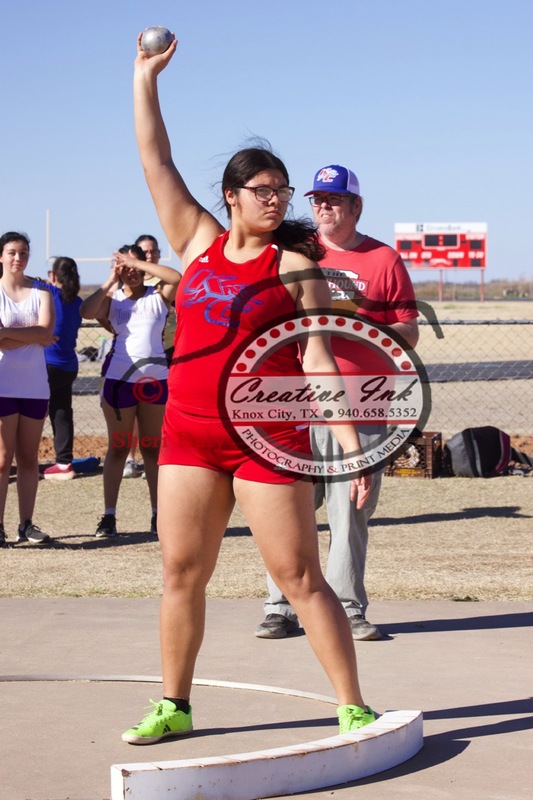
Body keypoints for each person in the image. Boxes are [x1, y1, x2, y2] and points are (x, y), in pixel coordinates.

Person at [121, 35, 376, 745]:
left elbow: (320, 357)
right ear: (230, 196)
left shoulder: (294, 263)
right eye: (262, 190)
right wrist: (145, 78)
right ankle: (173, 703)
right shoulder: (196, 242)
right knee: (180, 570)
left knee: (298, 575)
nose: (275, 200)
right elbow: (156, 161)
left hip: (267, 436)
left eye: (281, 191)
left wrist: (352, 448)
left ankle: (353, 705)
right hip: (190, 435)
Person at [256, 165, 419, 642]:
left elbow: (409, 328)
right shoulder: (295, 255)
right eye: (316, 200)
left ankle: (347, 607)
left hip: (363, 406)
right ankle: (280, 606)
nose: (323, 207)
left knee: (350, 513)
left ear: (355, 206)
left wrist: (367, 326)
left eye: (333, 199)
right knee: (287, 509)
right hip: (298, 404)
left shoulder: (383, 259)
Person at [80, 243, 180, 537]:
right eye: (126, 267)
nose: (131, 272)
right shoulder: (113, 301)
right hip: (118, 383)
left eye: (136, 266)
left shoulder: (158, 295)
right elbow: (87, 311)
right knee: (119, 447)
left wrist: (139, 263)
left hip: (155, 383)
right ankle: (109, 517)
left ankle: (158, 514)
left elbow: (176, 278)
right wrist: (112, 278)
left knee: (152, 448)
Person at [0, 231, 55, 546]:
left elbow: (47, 334)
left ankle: (27, 524)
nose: (18, 258)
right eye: (11, 252)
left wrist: (8, 332)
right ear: (1, 256)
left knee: (29, 458)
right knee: (2, 459)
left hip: (35, 386)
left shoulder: (42, 294)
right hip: (3, 383)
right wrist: (30, 333)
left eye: (23, 252)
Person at [122, 234, 178, 479]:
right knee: (135, 410)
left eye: (153, 251)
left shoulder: (164, 280)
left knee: (164, 409)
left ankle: (161, 456)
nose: (149, 255)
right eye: (144, 253)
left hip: (169, 349)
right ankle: (131, 458)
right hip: (140, 356)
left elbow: (177, 284)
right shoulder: (131, 280)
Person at [41, 257, 83, 480]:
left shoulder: (48, 293)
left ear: (53, 275)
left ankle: (20, 459)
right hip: (68, 367)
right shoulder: (77, 302)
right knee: (61, 412)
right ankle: (64, 463)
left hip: (47, 365)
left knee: (31, 413)